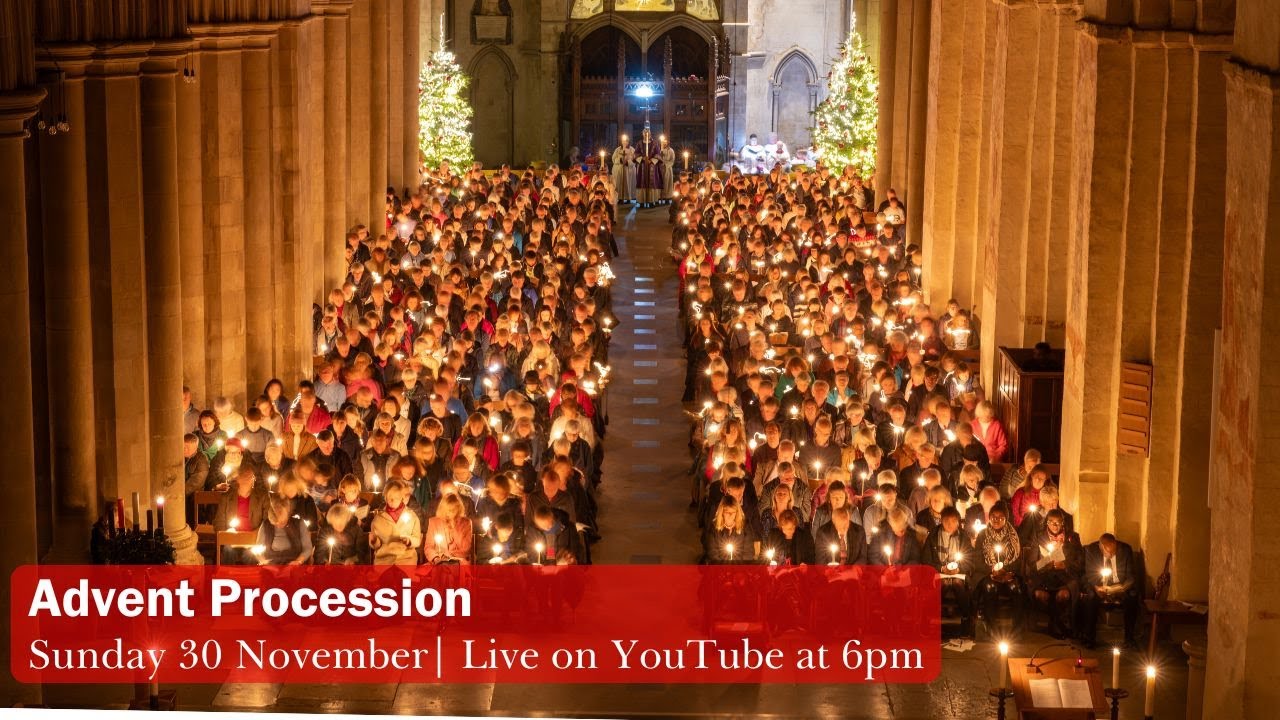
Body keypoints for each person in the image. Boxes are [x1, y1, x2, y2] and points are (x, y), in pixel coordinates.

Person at [1022, 509, 1082, 639]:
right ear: (1046, 523)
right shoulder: (1038, 537)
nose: (1055, 525)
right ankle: (1059, 626)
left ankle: (1055, 626)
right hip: (1044, 578)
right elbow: (1031, 564)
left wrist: (1065, 565)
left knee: (1063, 595)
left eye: (1058, 522)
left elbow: (1080, 562)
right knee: (1041, 595)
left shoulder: (1072, 537)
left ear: (1063, 523)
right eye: (1051, 522)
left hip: (1065, 578)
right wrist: (1045, 563)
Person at [1077, 533, 1141, 650]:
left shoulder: (1125, 550)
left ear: (1115, 544)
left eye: (1113, 552)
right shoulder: (1091, 550)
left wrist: (1120, 588)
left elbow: (1131, 577)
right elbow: (1089, 575)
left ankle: (1129, 638)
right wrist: (1097, 588)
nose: (1110, 555)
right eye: (1107, 552)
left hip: (1119, 586)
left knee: (1132, 597)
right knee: (1090, 597)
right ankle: (1089, 638)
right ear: (1100, 547)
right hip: (1099, 584)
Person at [974, 505, 1024, 634]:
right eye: (993, 517)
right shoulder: (982, 535)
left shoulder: (1013, 535)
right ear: (989, 518)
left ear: (1006, 519)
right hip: (989, 574)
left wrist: (1006, 571)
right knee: (989, 588)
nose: (996, 520)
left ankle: (1016, 629)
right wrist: (991, 570)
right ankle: (992, 628)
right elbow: (977, 560)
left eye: (1000, 517)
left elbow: (1018, 560)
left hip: (1008, 574)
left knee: (1016, 589)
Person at [925, 507, 974, 636]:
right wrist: (941, 569)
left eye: (953, 521)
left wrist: (959, 568)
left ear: (958, 522)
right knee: (944, 584)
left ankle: (966, 618)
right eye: (946, 521)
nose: (950, 524)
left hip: (958, 573)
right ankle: (930, 619)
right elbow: (926, 560)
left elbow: (970, 560)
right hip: (938, 572)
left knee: (957, 583)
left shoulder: (963, 537)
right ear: (941, 521)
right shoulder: (933, 536)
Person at [368, 480, 421, 565]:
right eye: (390, 498)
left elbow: (417, 540)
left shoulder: (412, 516)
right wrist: (374, 541)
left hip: (406, 560)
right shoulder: (378, 519)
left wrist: (409, 541)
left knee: (406, 578)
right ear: (385, 497)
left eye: (396, 498)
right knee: (386, 578)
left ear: (402, 497)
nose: (392, 501)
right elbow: (377, 545)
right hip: (384, 561)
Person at [253, 496, 313, 566]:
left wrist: (298, 561)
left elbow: (307, 548)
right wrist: (263, 561)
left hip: (293, 561)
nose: (279, 526)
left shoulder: (299, 523)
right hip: (272, 562)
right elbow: (258, 548)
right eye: (275, 524)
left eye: (282, 522)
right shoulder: (265, 525)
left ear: (287, 512)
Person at [425, 494, 474, 564]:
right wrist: (435, 558)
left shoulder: (466, 523)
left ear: (458, 508)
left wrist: (454, 527)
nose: (449, 512)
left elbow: (466, 549)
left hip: (459, 562)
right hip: (439, 561)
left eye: (453, 510)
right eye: (447, 510)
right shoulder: (434, 522)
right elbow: (428, 547)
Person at [704, 497, 750, 564]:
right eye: (727, 512)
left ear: (737, 512)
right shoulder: (714, 527)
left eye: (733, 512)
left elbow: (748, 551)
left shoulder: (745, 526)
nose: (730, 515)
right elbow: (712, 552)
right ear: (722, 512)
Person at [635, 127, 663, 208]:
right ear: (642, 134)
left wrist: (651, 161)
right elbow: (636, 154)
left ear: (650, 134)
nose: (646, 135)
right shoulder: (639, 143)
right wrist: (642, 158)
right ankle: (642, 201)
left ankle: (651, 201)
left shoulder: (655, 143)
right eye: (645, 134)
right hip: (642, 166)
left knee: (652, 183)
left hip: (652, 167)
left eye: (648, 134)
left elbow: (658, 154)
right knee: (641, 182)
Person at [611, 135, 636, 205]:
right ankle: (620, 198)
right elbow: (613, 159)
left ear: (628, 142)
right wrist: (620, 160)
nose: (625, 142)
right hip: (619, 170)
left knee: (628, 183)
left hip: (628, 170)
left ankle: (628, 198)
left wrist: (628, 162)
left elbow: (635, 160)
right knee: (619, 183)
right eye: (623, 141)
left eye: (626, 141)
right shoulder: (618, 150)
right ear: (621, 142)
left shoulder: (632, 150)